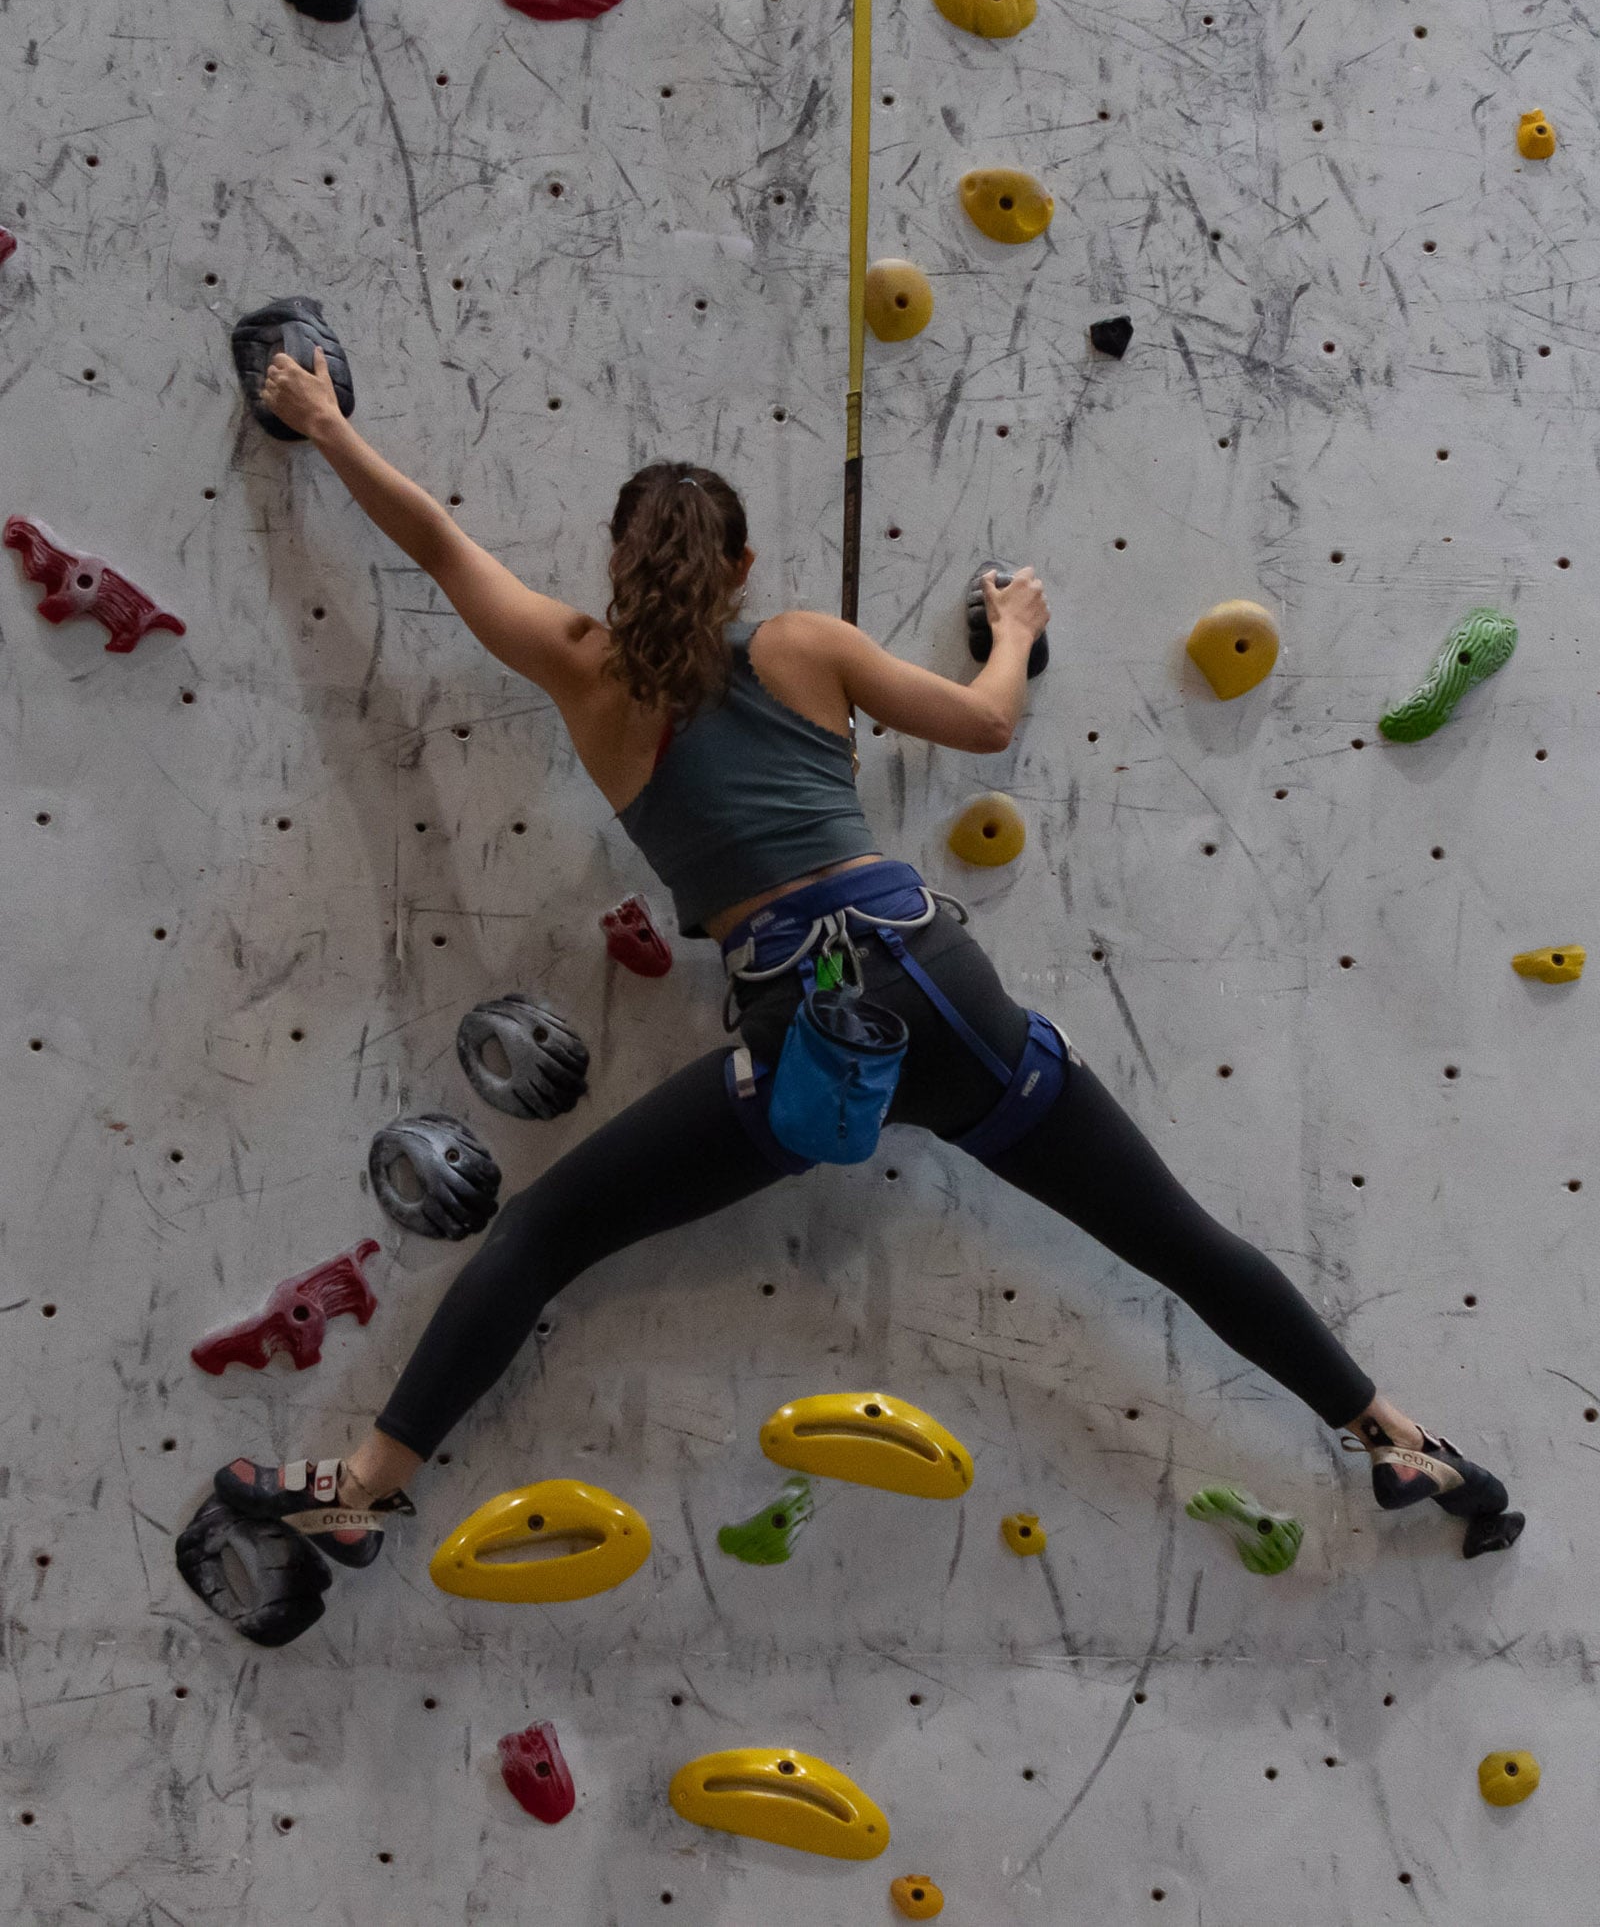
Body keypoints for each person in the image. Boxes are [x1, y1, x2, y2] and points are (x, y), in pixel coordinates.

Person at [214, 345, 1523, 1573]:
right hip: (946, 992)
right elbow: (984, 721)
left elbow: (442, 546)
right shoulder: (799, 643)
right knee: (1175, 1237)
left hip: (804, 1041)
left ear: (616, 563)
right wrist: (1010, 624)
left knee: (551, 1231)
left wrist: (326, 421)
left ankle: (370, 1488)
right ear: (740, 563)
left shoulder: (584, 674)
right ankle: (1399, 1442)